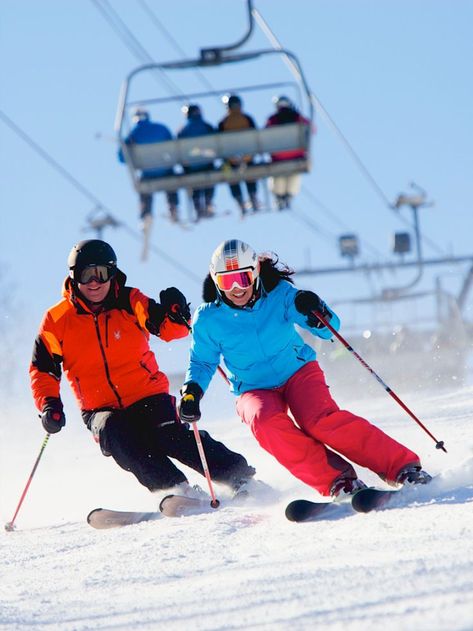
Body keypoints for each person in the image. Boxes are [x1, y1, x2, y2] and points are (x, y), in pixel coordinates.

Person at [179, 239, 432, 500]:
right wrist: (192, 391)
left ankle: (402, 467)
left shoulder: (280, 295)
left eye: (243, 278)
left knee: (319, 420)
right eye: (226, 281)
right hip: (253, 388)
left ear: (254, 273)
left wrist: (315, 310)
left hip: (298, 371)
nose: (236, 289)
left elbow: (329, 329)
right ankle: (338, 481)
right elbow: (202, 362)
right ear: (215, 281)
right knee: (264, 422)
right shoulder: (208, 318)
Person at [29, 239, 256, 501]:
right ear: (73, 277)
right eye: (85, 274)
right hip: (99, 408)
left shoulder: (129, 301)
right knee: (120, 439)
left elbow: (170, 330)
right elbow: (42, 369)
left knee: (170, 434)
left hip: (147, 394)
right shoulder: (57, 320)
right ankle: (175, 489)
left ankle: (238, 476)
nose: (94, 282)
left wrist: (176, 313)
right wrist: (49, 405)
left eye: (101, 274)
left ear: (112, 274)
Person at [118, 107, 179, 225]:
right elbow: (174, 148)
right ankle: (173, 207)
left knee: (143, 188)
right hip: (165, 171)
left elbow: (122, 157)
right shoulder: (161, 128)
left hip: (148, 174)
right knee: (172, 179)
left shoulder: (133, 135)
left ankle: (145, 214)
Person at [265, 96, 311, 211]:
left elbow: (266, 135)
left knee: (278, 176)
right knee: (294, 174)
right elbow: (310, 129)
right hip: (296, 154)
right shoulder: (297, 118)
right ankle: (289, 196)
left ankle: (279, 196)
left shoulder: (273, 119)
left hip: (278, 156)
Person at [218, 94, 260, 217]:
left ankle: (239, 200)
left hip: (231, 160)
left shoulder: (224, 122)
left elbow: (219, 144)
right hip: (248, 158)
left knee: (228, 173)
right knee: (250, 171)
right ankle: (252, 195)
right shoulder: (247, 118)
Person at [177, 104, 216, 220]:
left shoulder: (183, 130)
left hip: (192, 166)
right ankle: (208, 203)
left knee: (194, 185)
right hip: (207, 163)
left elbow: (178, 150)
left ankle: (198, 208)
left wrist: (185, 166)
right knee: (209, 180)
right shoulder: (207, 126)